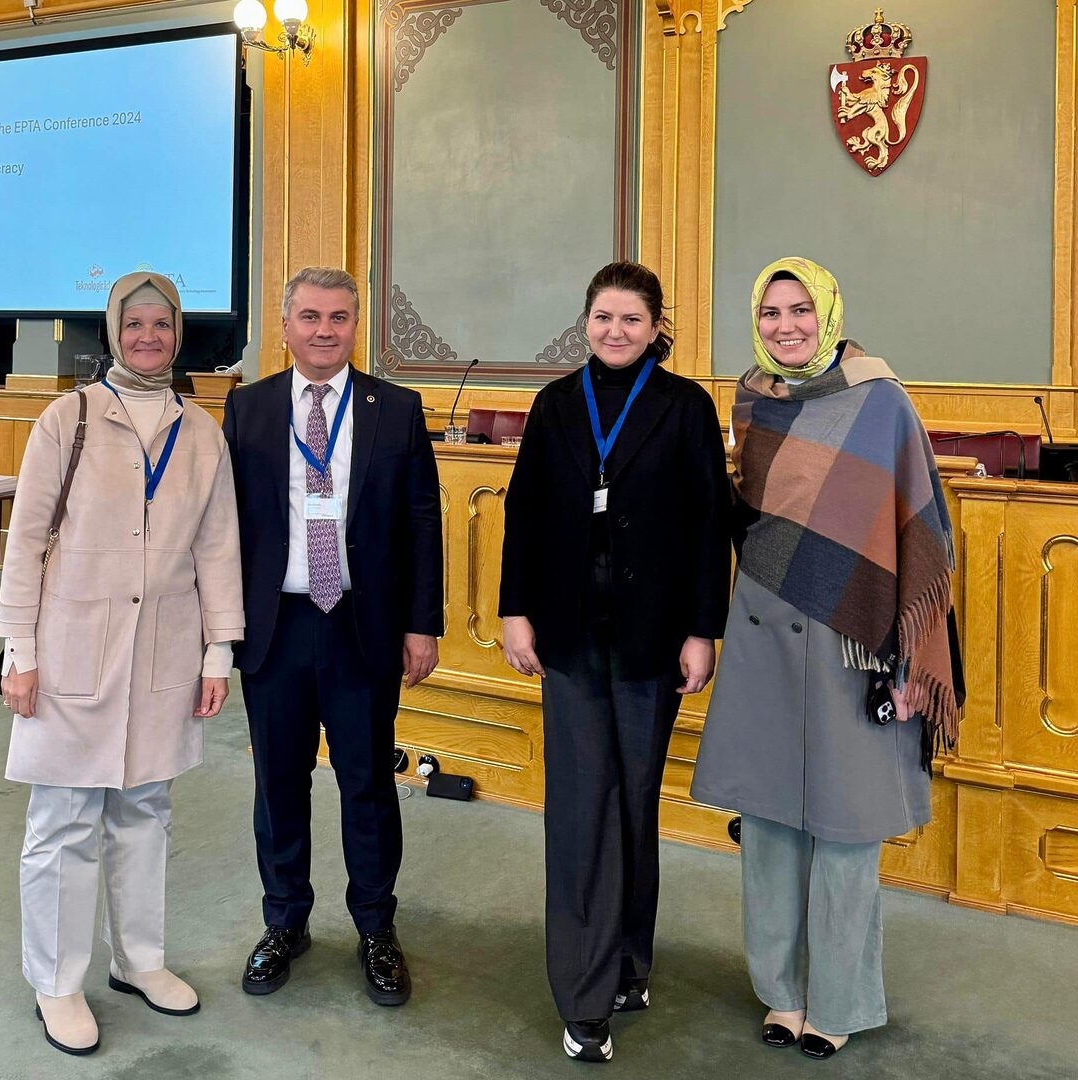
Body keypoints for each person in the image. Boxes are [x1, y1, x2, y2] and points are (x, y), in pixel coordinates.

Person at [690, 256, 962, 1059]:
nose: (786, 326)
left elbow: (924, 535)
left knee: (845, 833)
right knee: (770, 825)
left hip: (857, 642)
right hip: (765, 634)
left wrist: (915, 659)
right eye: (771, 312)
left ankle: (837, 1002)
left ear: (830, 312)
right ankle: (782, 993)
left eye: (801, 309)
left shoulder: (882, 402)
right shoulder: (751, 399)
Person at [0, 271, 244, 1055]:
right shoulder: (65, 419)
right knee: (65, 819)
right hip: (70, 648)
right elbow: (26, 542)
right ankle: (58, 982)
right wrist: (21, 652)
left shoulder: (201, 432)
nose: (148, 337)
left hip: (164, 650)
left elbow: (218, 548)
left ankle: (138, 961)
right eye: (133, 324)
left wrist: (217, 653)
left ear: (178, 334)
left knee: (145, 813)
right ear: (112, 331)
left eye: (161, 325)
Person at [498, 261, 731, 1062]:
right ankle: (584, 995)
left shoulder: (686, 406)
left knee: (634, 801)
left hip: (651, 638)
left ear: (657, 326)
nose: (615, 332)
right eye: (602, 317)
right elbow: (523, 513)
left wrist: (704, 631)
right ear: (585, 321)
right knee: (579, 810)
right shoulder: (556, 405)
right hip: (566, 634)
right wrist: (513, 611)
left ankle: (631, 958)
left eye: (631, 319)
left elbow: (709, 528)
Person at [224, 266, 443, 1006]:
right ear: (285, 326)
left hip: (361, 625)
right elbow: (227, 528)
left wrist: (423, 624)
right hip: (276, 627)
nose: (325, 330)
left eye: (339, 317)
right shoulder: (247, 409)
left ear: (357, 326)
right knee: (277, 783)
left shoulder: (398, 408)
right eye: (311, 316)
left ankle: (377, 930)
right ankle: (284, 922)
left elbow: (422, 523)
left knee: (367, 783)